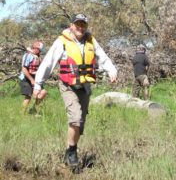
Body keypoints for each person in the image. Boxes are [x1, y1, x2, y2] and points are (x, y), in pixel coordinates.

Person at [33, 13, 117, 167]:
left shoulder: (91, 40)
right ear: (71, 25)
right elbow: (48, 62)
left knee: (81, 123)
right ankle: (72, 152)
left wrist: (111, 70)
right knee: (76, 119)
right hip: (68, 85)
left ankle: (69, 150)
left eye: (83, 24)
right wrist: (38, 84)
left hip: (84, 86)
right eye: (77, 24)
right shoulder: (62, 41)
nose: (80, 27)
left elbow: (102, 57)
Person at [19, 40, 47, 114]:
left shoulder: (37, 57)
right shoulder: (28, 55)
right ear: (36, 48)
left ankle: (33, 109)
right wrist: (31, 80)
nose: (40, 52)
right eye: (39, 50)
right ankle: (22, 114)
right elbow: (24, 69)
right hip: (26, 78)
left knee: (43, 92)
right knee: (28, 96)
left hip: (35, 78)